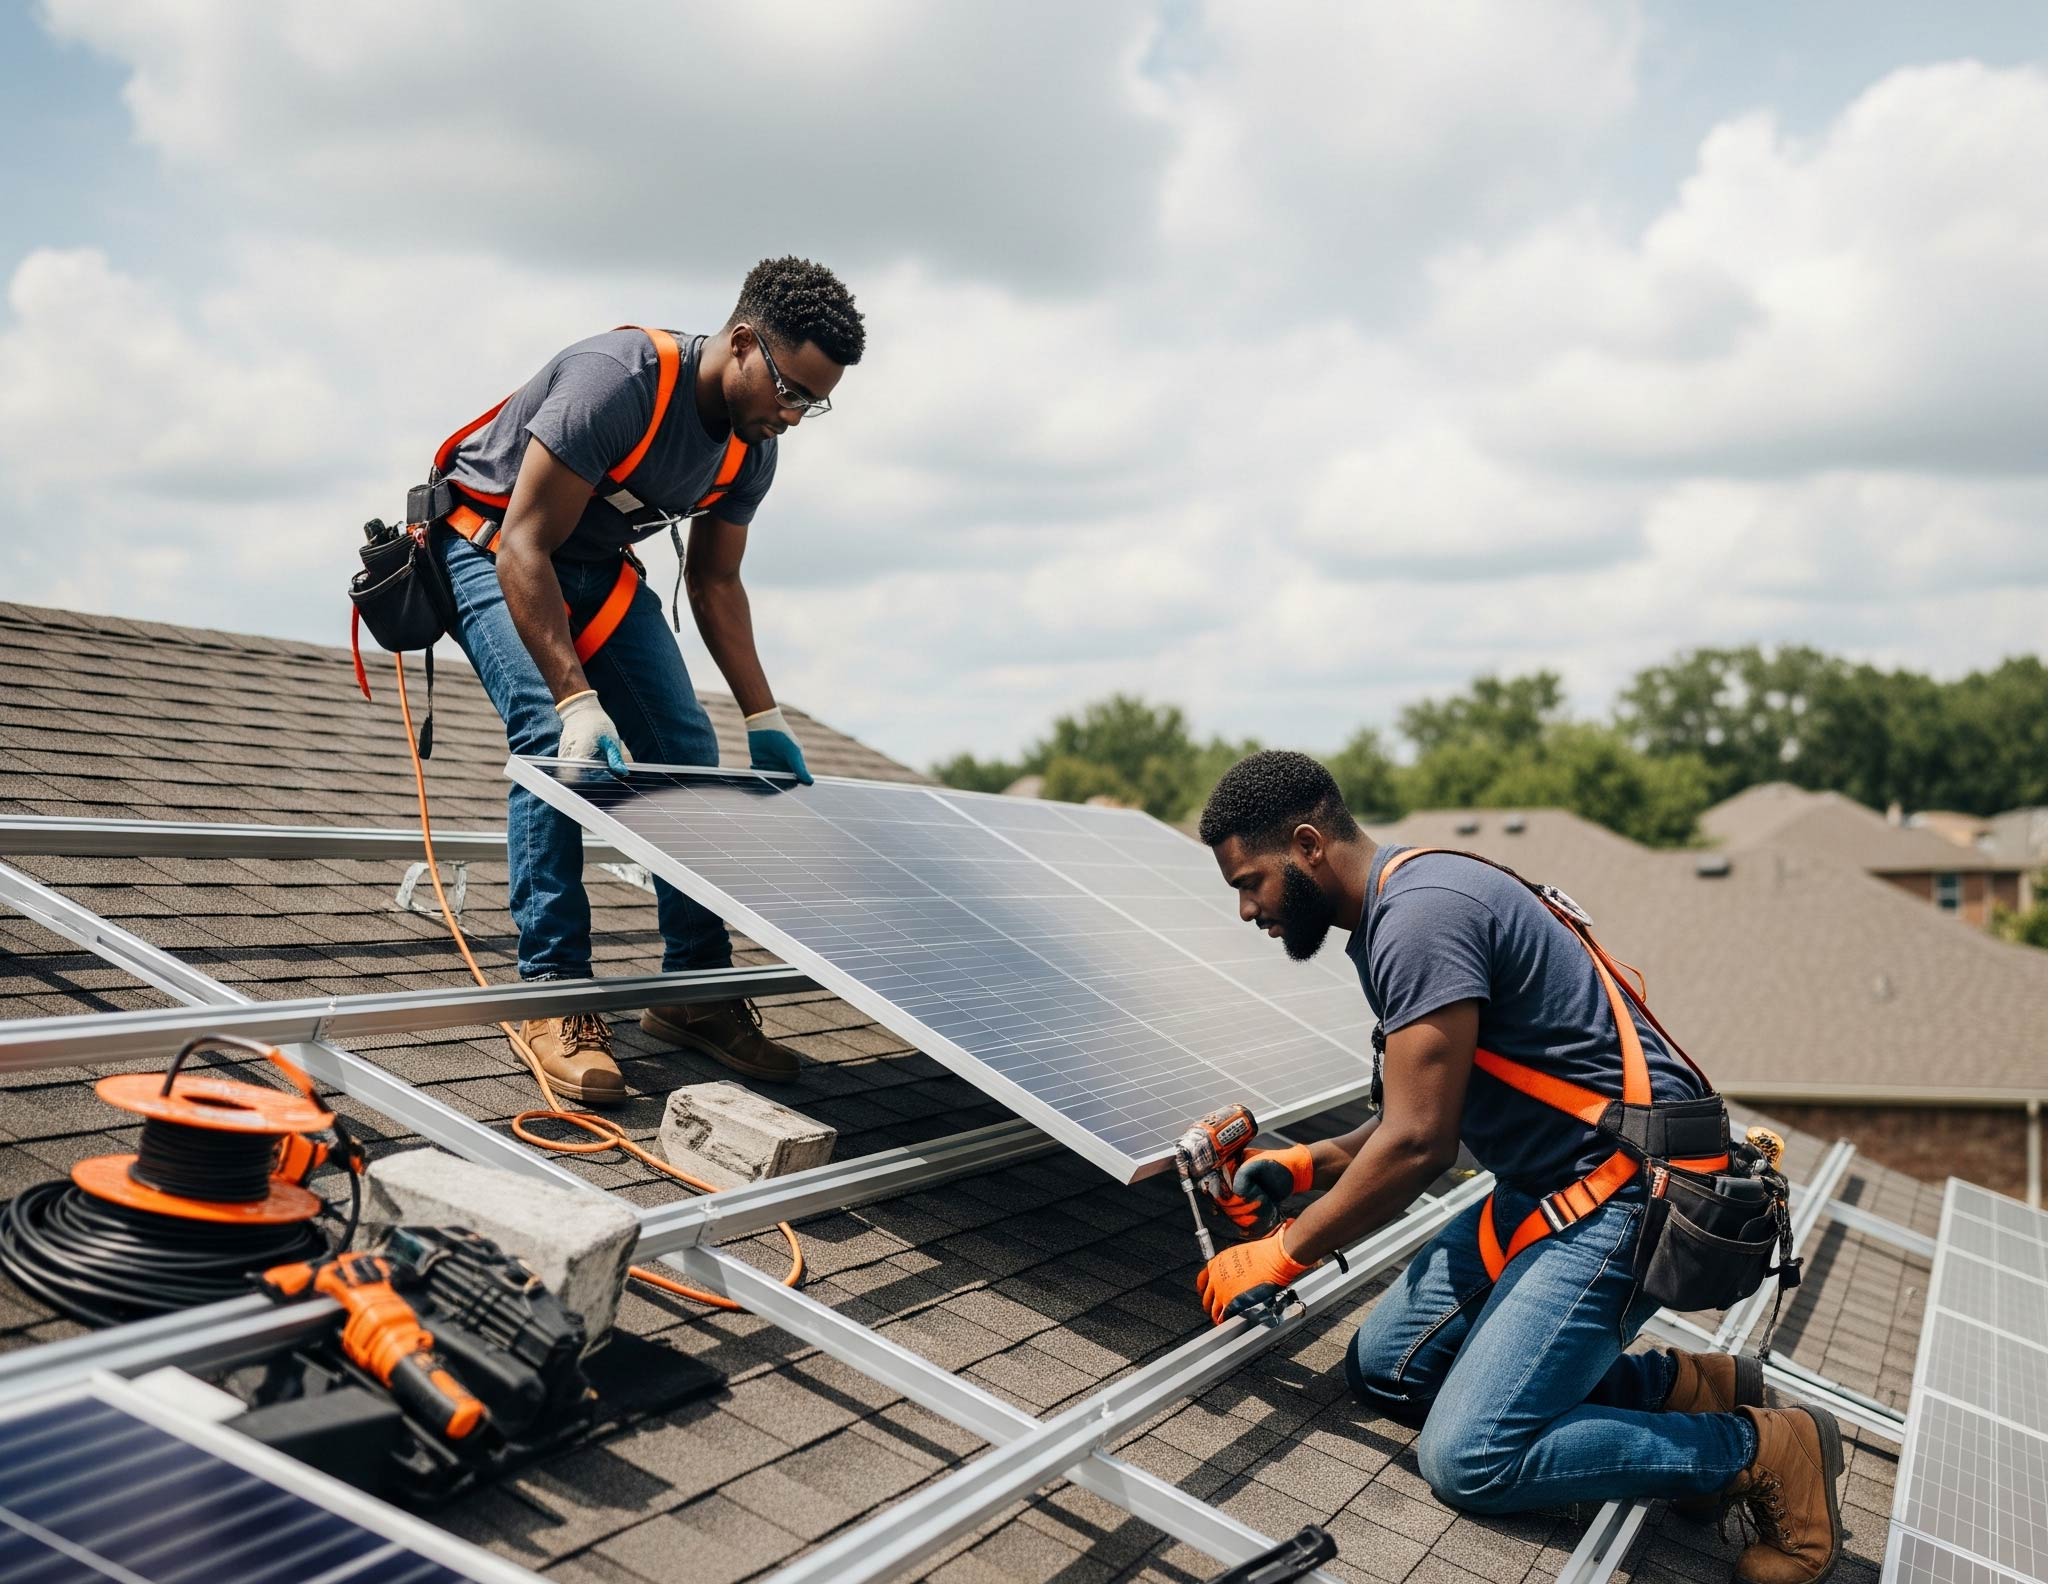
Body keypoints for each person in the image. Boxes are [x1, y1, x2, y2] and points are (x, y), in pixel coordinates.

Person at [1190, 751, 1845, 1584]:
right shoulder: (1405, 902)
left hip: (1626, 1192)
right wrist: (1305, 1164)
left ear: (1309, 845)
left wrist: (1283, 1252)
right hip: (1552, 1184)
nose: (1248, 910)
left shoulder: (1417, 920)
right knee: (1388, 1370)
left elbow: (1420, 1144)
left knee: (1470, 1459)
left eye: (1251, 882)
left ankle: (1760, 1450)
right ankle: (1684, 1387)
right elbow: (1428, 1111)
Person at [428, 257, 865, 1104]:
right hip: (488, 542)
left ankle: (694, 992)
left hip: (593, 563)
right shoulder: (617, 382)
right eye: (789, 390)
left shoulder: (751, 449)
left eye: (815, 401)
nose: (795, 414)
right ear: (742, 344)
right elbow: (523, 546)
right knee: (557, 745)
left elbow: (714, 584)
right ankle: (552, 993)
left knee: (685, 755)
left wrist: (763, 715)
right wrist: (576, 699)